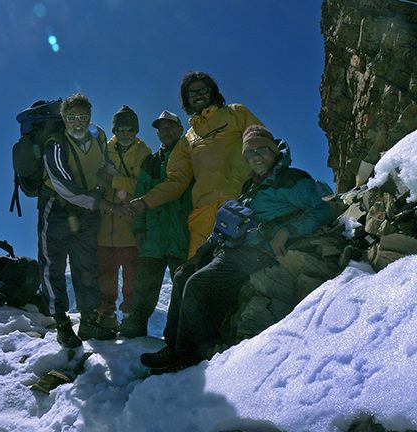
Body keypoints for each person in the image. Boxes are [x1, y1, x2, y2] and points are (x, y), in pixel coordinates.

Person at [140, 125, 334, 374]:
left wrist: (288, 231)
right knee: (182, 274)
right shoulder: (250, 186)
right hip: (230, 247)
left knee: (199, 284)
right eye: (249, 154)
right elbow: (230, 223)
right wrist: (201, 251)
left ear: (274, 150)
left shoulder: (293, 179)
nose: (256, 157)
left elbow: (321, 211)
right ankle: (173, 346)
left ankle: (188, 356)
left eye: (261, 150)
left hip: (256, 252)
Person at [127, 71, 263, 258]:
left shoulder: (236, 113)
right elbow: (176, 181)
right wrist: (145, 201)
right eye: (192, 92)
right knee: (196, 275)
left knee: (244, 271)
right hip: (203, 217)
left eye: (203, 90)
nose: (198, 95)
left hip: (241, 205)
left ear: (212, 91)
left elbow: (261, 143)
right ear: (186, 99)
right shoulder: (187, 140)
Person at [38, 93, 127, 348]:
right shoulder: (55, 144)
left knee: (86, 265)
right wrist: (105, 204)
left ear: (90, 117)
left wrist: (119, 187)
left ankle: (88, 321)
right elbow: (65, 186)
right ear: (64, 119)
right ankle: (62, 323)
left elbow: (105, 166)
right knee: (53, 264)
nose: (78, 122)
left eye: (83, 117)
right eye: (72, 117)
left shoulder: (98, 135)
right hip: (56, 208)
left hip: (87, 211)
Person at [119, 111, 192, 338]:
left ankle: (177, 336)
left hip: (182, 233)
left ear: (180, 129)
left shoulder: (191, 156)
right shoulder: (150, 162)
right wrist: (138, 229)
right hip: (153, 235)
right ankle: (134, 328)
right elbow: (139, 195)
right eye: (162, 128)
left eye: (170, 127)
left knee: (183, 286)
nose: (166, 131)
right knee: (144, 286)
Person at [93, 105, 151, 332]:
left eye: (130, 129)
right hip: (105, 227)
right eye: (121, 129)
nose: (126, 134)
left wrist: (112, 180)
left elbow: (142, 185)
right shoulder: (105, 150)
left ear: (136, 130)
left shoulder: (143, 152)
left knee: (132, 278)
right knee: (105, 276)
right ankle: (106, 316)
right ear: (114, 129)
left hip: (130, 225)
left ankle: (129, 319)